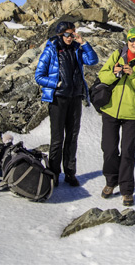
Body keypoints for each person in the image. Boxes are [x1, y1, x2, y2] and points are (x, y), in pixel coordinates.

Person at [33, 19, 99, 186]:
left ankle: (70, 173)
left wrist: (83, 42)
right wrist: (57, 84)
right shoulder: (51, 51)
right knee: (57, 139)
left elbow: (93, 60)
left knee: (72, 137)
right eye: (67, 34)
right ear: (60, 35)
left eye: (72, 34)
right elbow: (38, 76)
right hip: (58, 99)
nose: (70, 37)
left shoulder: (77, 49)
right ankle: (54, 174)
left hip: (75, 98)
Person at [97, 26, 135, 207]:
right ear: (127, 41)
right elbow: (103, 76)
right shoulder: (117, 55)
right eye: (132, 40)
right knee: (108, 149)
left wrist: (132, 75)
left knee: (128, 153)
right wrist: (115, 73)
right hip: (111, 110)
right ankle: (111, 181)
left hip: (132, 114)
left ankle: (127, 191)